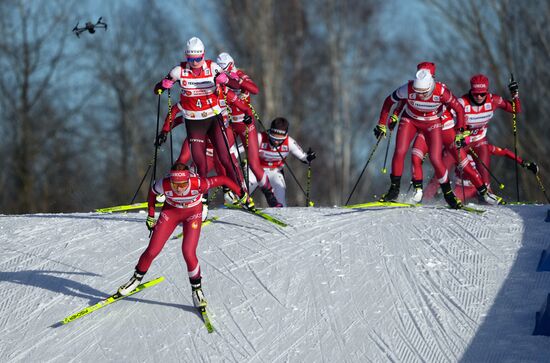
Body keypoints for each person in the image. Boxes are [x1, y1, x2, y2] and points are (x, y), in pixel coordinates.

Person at [117, 163, 247, 308]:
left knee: (188, 252)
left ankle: (197, 290)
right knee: (152, 250)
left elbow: (224, 179)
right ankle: (135, 279)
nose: (179, 188)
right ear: (171, 180)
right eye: (175, 184)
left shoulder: (198, 184)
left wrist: (242, 195)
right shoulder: (164, 184)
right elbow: (152, 194)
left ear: (188, 180)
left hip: (193, 214)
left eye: (183, 184)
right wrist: (151, 216)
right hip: (171, 213)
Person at [153, 37, 247, 219]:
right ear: (186, 57)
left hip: (213, 118)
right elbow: (158, 89)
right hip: (194, 122)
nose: (194, 63)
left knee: (226, 158)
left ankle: (242, 196)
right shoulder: (178, 71)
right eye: (191, 59)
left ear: (203, 56)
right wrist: (163, 86)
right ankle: (201, 204)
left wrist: (225, 80)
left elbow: (236, 85)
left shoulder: (212, 68)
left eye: (197, 59)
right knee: (200, 164)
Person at [374, 67, 468, 209]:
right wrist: (381, 124)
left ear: (430, 86)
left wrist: (460, 132)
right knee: (400, 151)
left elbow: (459, 110)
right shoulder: (408, 88)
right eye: (418, 92)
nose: (421, 95)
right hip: (410, 120)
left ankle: (449, 195)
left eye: (424, 93)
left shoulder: (441, 91)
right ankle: (393, 191)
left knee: (436, 159)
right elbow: (389, 101)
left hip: (432, 122)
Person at [216, 52, 282, 208]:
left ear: (231, 66)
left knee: (253, 163)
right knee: (222, 156)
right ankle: (240, 192)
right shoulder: (220, 79)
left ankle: (270, 196)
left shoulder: (240, 75)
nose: (221, 74)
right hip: (230, 125)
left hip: (246, 125)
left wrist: (235, 80)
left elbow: (255, 89)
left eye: (224, 70)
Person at [458, 74, 521, 190]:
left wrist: (514, 94)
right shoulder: (462, 102)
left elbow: (515, 109)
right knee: (444, 164)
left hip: (479, 140)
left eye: (482, 94)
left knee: (484, 166)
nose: (479, 97)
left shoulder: (494, 100)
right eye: (476, 94)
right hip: (463, 142)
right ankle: (427, 195)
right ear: (471, 91)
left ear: (487, 91)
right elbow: (446, 119)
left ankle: (487, 194)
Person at [247, 117, 315, 207]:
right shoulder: (260, 137)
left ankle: (280, 214)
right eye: (273, 138)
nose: (276, 142)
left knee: (280, 198)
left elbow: (303, 157)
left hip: (275, 171)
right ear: (269, 132)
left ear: (286, 135)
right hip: (255, 170)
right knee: (240, 193)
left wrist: (309, 157)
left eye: (280, 140)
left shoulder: (290, 142)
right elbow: (237, 150)